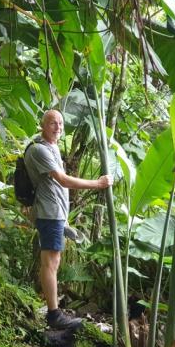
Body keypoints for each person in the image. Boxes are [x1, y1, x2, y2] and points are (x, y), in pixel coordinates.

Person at [24, 109, 113, 330]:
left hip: (56, 214)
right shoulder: (39, 150)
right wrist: (98, 183)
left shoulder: (52, 148)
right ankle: (54, 315)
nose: (58, 127)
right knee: (50, 262)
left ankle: (53, 310)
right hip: (49, 212)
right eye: (53, 123)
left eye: (61, 124)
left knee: (53, 261)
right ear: (43, 125)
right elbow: (63, 180)